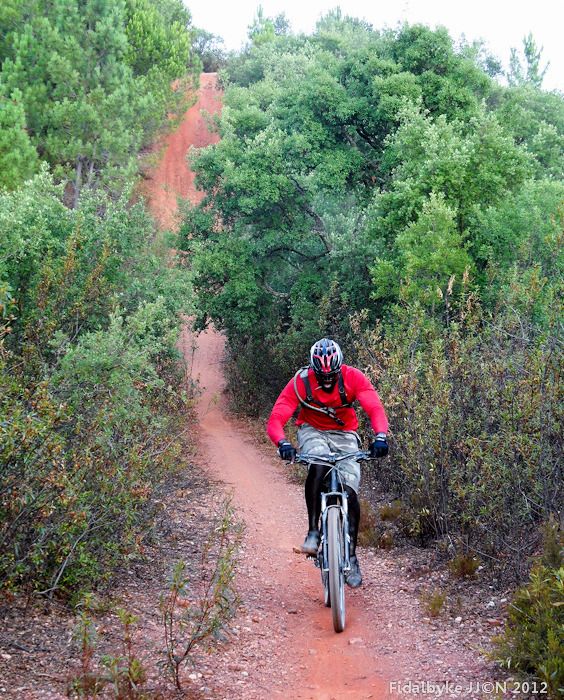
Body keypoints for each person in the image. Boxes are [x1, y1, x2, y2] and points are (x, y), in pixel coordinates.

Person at [266, 338, 389, 588]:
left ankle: (351, 556)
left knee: (350, 493)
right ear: (313, 369)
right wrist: (283, 443)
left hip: (345, 434)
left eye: (331, 376)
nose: (327, 380)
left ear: (339, 368)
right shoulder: (301, 382)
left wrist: (380, 437)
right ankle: (313, 531)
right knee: (319, 461)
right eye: (322, 376)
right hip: (312, 430)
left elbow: (374, 408)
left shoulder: (353, 377)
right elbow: (277, 417)